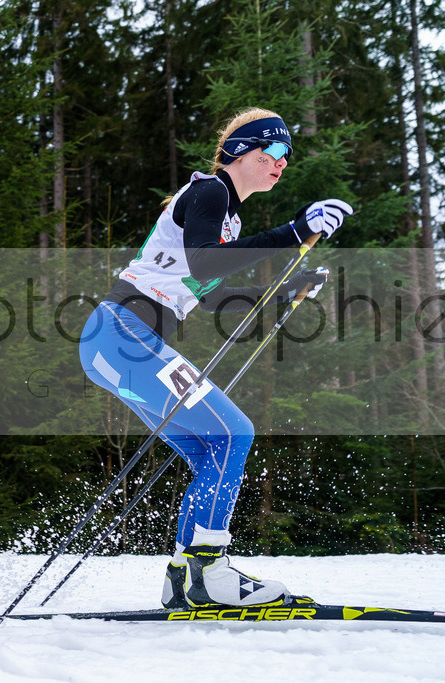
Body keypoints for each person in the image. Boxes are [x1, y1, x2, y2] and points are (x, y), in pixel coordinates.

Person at [78, 107, 352, 609]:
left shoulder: (227, 214)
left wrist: (284, 289)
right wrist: (294, 231)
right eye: (272, 150)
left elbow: (209, 292)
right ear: (237, 152)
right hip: (123, 332)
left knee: (212, 449)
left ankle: (185, 578)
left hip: (118, 341)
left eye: (287, 155)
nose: (281, 161)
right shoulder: (209, 191)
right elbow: (206, 261)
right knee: (234, 432)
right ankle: (210, 571)